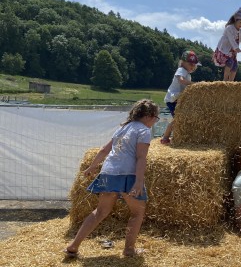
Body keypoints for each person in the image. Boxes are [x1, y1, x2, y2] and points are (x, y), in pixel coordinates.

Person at [64, 99, 160, 258]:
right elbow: (141, 158)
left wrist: (92, 167)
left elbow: (104, 150)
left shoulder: (122, 128)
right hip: (127, 174)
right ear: (149, 116)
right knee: (137, 212)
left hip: (108, 172)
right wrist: (138, 181)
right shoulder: (143, 131)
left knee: (100, 211)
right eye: (155, 118)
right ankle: (129, 249)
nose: (154, 122)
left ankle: (73, 246)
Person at [160, 50, 201, 145]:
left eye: (194, 64)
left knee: (182, 118)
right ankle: (165, 137)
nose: (192, 66)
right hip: (173, 99)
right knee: (178, 119)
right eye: (190, 63)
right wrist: (194, 84)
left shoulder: (188, 74)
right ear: (183, 63)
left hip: (178, 99)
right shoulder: (181, 70)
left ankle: (178, 138)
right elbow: (181, 81)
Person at [213, 7, 241, 81]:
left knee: (235, 66)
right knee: (229, 62)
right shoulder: (229, 28)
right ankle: (225, 80)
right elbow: (231, 39)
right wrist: (236, 48)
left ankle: (231, 82)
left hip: (233, 52)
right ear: (236, 19)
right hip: (224, 50)